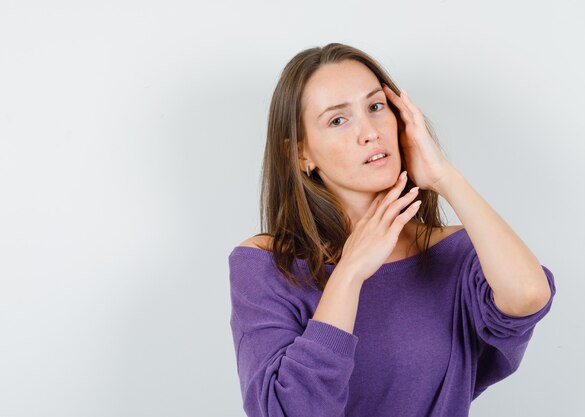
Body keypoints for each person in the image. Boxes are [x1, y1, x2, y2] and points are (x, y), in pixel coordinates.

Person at [228, 42, 556, 417]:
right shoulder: (266, 265)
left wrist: (444, 176)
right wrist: (349, 273)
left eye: (375, 107)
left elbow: (529, 295)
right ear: (300, 154)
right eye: (338, 120)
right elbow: (287, 410)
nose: (369, 132)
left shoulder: (454, 253)